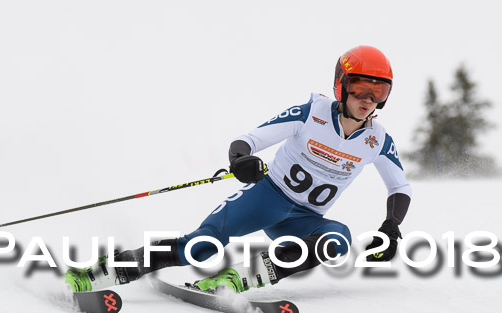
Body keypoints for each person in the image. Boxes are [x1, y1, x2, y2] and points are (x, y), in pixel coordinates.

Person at [64, 45, 412, 293]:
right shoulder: (312, 112)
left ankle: (241, 278)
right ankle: (104, 272)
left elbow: (400, 188)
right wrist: (241, 160)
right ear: (342, 84)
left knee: (336, 240)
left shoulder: (377, 140)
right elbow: (247, 141)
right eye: (360, 87)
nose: (368, 97)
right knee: (199, 247)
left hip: (304, 218)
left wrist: (391, 226)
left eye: (379, 90)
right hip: (267, 197)